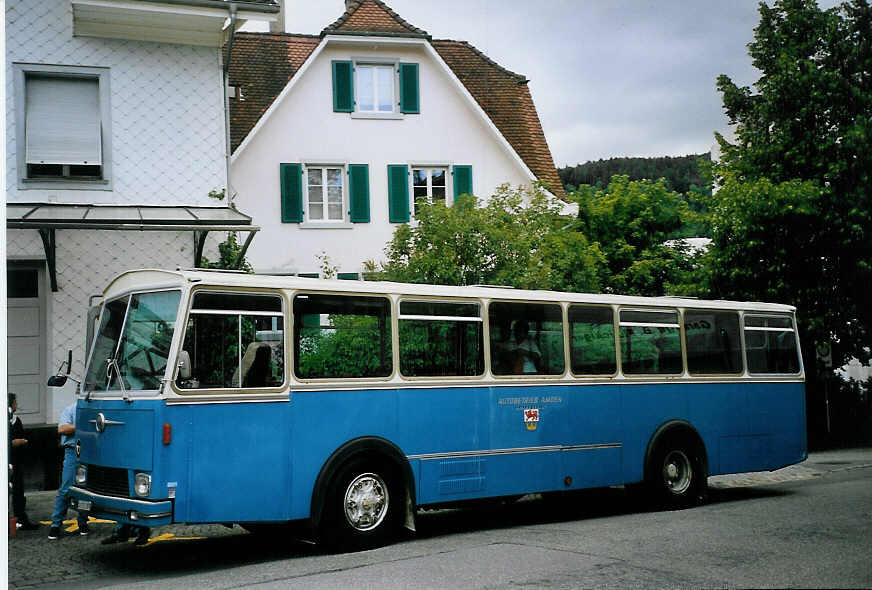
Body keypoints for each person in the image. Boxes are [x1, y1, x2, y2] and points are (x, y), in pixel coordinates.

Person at [48, 401, 89, 540]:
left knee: (85, 490)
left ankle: (83, 522)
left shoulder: (93, 409)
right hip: (73, 451)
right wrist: (83, 426)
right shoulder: (70, 409)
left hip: (90, 452)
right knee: (65, 488)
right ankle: (56, 524)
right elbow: (62, 429)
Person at [8, 393, 39, 530]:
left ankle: (20, 519)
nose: (16, 405)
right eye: (15, 402)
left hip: (17, 461)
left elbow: (22, 437)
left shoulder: (16, 420)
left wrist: (21, 442)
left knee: (19, 492)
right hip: (10, 460)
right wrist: (14, 442)